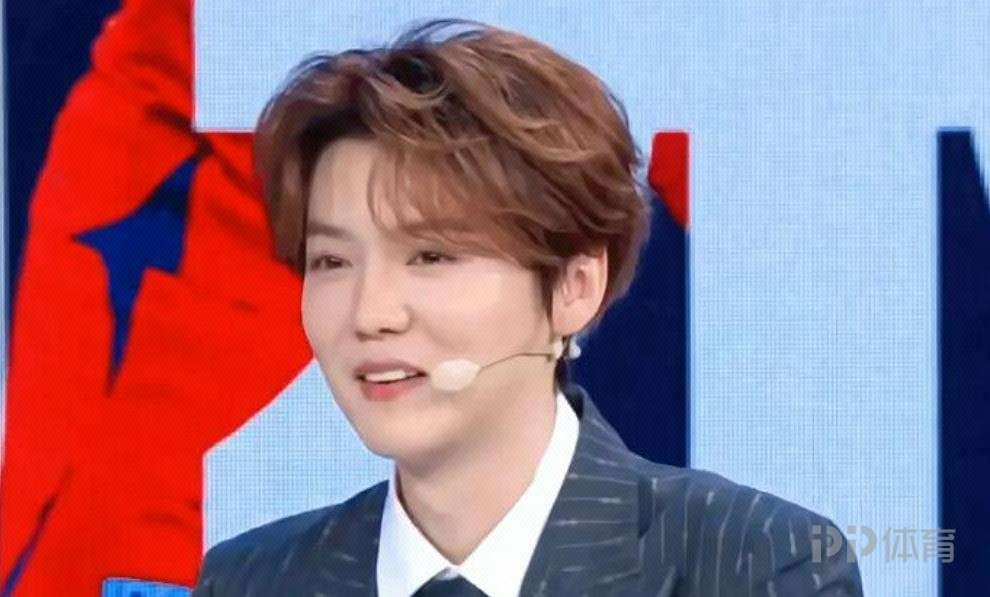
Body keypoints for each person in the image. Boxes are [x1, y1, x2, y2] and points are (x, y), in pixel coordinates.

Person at [192, 18, 863, 597]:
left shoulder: (754, 564)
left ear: (575, 285)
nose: (370, 314)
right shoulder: (251, 579)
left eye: (431, 256)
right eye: (332, 262)